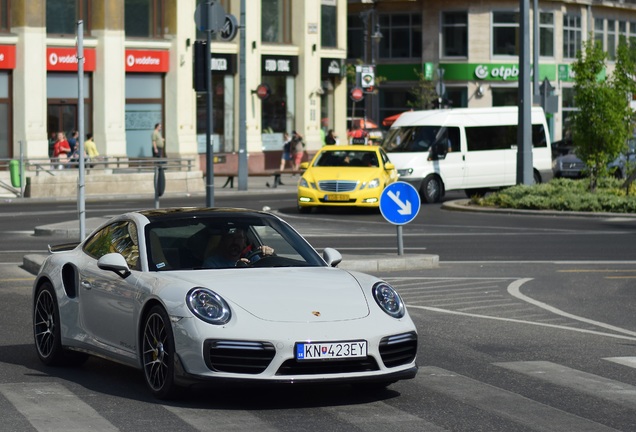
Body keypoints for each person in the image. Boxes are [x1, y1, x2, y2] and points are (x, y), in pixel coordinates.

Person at [203, 228, 274, 268]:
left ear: (244, 242)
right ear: (224, 241)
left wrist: (267, 258)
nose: (235, 241)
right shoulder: (213, 263)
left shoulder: (252, 257)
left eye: (239, 238)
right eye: (231, 237)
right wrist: (238, 267)